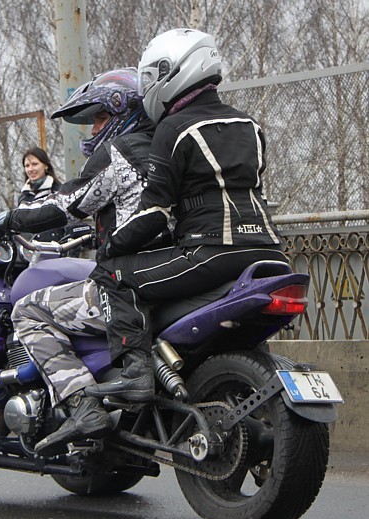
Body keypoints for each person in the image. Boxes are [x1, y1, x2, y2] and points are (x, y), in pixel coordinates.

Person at [87, 29, 287, 402]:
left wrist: (112, 246)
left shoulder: (173, 128)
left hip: (210, 251)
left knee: (114, 274)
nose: (149, 87)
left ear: (173, 71)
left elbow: (154, 212)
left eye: (151, 76)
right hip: (270, 251)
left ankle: (135, 374)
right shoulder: (250, 124)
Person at [0, 68, 157, 455]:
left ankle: (82, 404)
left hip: (126, 281)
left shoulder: (120, 152)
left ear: (122, 111)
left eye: (98, 117)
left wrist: (9, 218)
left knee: (28, 310)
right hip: (170, 271)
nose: (92, 128)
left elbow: (65, 205)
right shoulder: (167, 148)